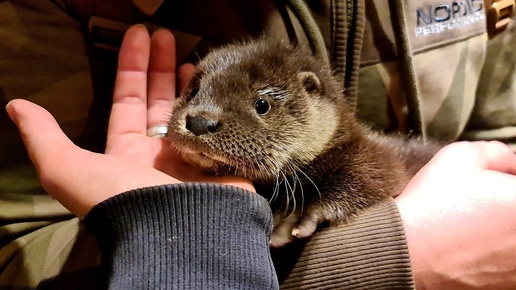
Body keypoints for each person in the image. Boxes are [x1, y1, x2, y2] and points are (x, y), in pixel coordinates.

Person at [5, 23, 516, 289]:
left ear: (313, 97)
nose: (200, 119)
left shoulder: (356, 164)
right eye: (197, 92)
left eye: (263, 106)